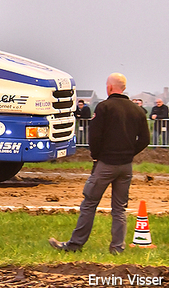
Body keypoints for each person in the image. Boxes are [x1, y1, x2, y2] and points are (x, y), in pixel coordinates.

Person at [49, 73, 149, 255]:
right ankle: (117, 248)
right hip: (126, 166)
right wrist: (129, 153)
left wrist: (96, 157)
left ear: (110, 87)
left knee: (89, 203)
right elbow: (145, 139)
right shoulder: (137, 111)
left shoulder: (104, 107)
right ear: (124, 88)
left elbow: (94, 136)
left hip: (106, 164)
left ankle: (74, 245)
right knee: (119, 209)